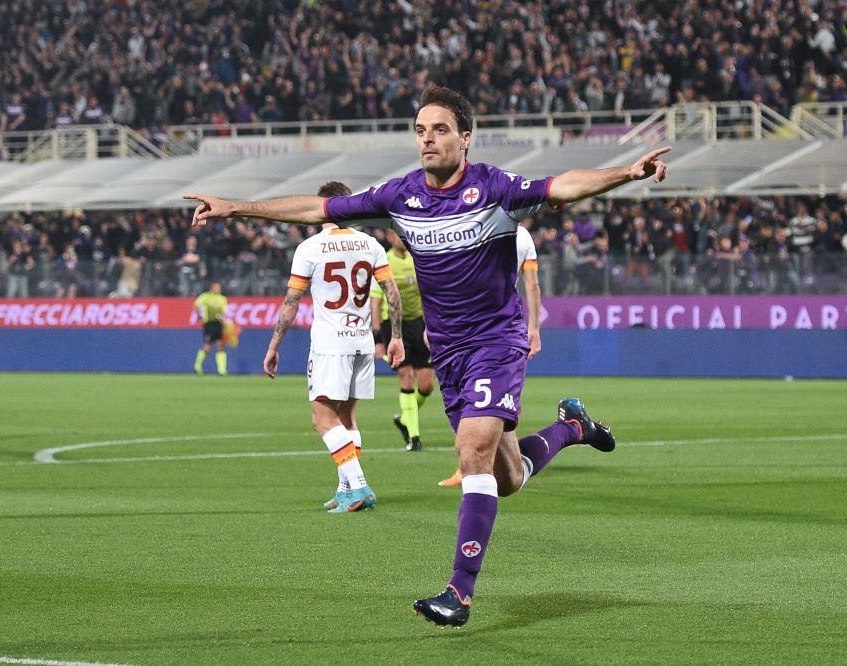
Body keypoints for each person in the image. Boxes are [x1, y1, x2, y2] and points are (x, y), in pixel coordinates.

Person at [185, 83, 670, 627]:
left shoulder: (495, 188)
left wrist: (627, 172)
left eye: (440, 130)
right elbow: (316, 207)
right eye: (420, 130)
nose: (428, 140)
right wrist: (237, 208)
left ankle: (459, 593)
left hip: (495, 341)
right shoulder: (400, 196)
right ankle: (572, 428)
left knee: (472, 450)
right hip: (450, 352)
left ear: (466, 137)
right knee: (507, 477)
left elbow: (564, 185)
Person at [263, 181, 404, 513]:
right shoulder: (370, 244)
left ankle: (359, 486)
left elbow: (291, 302)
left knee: (322, 419)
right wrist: (395, 337)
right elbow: (392, 293)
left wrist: (274, 345)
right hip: (362, 342)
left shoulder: (310, 248)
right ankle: (345, 489)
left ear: (321, 205)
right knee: (347, 417)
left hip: (330, 344)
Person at [438, 221, 542, 486]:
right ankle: (476, 459)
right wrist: (534, 328)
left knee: (473, 399)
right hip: (499, 328)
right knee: (508, 476)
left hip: (469, 330)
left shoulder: (468, 224)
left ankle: (471, 460)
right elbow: (531, 285)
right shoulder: (523, 235)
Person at [369, 228, 435, 453]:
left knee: (427, 384)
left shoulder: (417, 259)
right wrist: (378, 338)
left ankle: (405, 418)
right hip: (393, 324)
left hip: (418, 324)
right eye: (398, 235)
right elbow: (376, 303)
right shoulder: (384, 262)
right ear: (390, 237)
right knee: (405, 375)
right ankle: (414, 438)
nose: (402, 239)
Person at [193, 281, 228, 376]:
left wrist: (224, 323)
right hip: (209, 323)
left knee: (221, 345)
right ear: (212, 288)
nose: (217, 289)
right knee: (207, 346)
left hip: (218, 323)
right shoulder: (206, 296)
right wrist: (199, 315)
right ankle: (197, 366)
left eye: (218, 287)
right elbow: (196, 305)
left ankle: (222, 370)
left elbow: (224, 312)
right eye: (215, 287)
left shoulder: (222, 299)